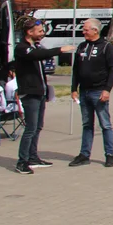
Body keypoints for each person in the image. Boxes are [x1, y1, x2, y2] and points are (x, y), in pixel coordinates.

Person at [14, 17, 74, 174]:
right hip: (30, 93)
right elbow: (37, 55)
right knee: (30, 128)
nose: (42, 34)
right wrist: (60, 50)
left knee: (38, 127)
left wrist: (46, 91)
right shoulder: (22, 48)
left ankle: (33, 157)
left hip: (40, 92)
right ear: (29, 32)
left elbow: (40, 65)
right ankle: (22, 162)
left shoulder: (36, 46)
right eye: (39, 31)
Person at [68, 18, 113, 168]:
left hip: (99, 91)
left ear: (95, 30)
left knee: (105, 124)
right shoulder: (82, 47)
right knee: (87, 124)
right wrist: (73, 88)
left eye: (86, 29)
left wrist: (107, 90)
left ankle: (109, 155)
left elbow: (112, 70)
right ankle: (84, 154)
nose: (83, 32)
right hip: (84, 91)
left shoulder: (106, 47)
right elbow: (76, 69)